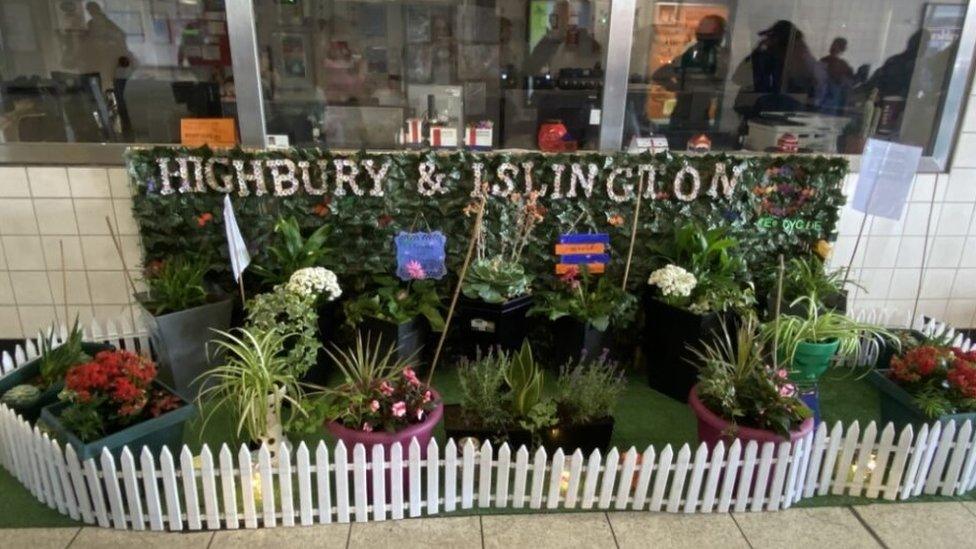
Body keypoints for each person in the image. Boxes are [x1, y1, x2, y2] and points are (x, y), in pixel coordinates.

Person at [731, 20, 826, 125]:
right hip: (766, 112)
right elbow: (739, 79)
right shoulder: (765, 57)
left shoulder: (797, 59)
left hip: (775, 114)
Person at [652, 15, 730, 132]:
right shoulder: (691, 53)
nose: (700, 31)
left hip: (701, 114)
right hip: (682, 112)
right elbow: (660, 74)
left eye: (707, 31)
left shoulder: (722, 56)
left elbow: (726, 80)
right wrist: (678, 87)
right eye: (701, 29)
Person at [820, 37, 855, 114]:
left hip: (834, 101)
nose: (832, 47)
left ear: (841, 49)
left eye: (835, 45)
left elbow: (848, 84)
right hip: (823, 99)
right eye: (832, 44)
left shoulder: (844, 65)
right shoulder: (824, 61)